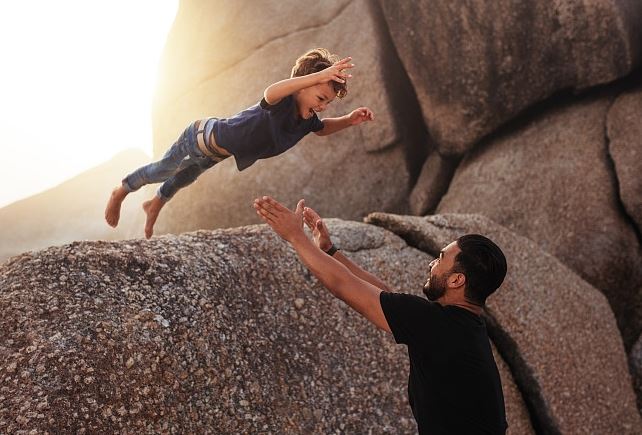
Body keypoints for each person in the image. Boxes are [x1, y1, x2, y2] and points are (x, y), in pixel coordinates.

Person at [253, 196, 509, 435]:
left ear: (456, 279)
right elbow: (386, 295)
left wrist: (296, 237)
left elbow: (344, 286)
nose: (432, 263)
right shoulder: (462, 326)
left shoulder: (439, 325)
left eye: (441, 258)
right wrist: (329, 251)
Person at [105, 48, 374, 238]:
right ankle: (122, 189)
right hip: (199, 136)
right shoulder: (281, 103)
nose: (324, 106)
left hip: (214, 153)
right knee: (164, 170)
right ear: (301, 87)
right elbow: (271, 91)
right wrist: (316, 76)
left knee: (184, 178)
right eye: (320, 97)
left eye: (328, 102)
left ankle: (155, 204)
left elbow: (323, 129)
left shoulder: (306, 120)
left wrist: (349, 119)